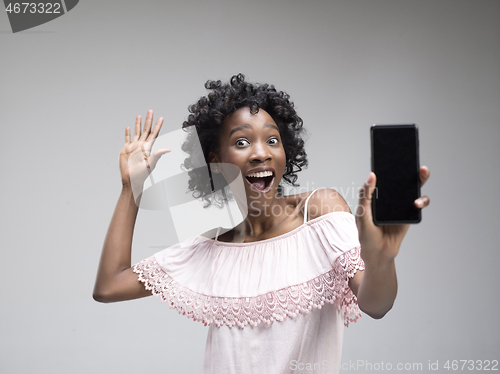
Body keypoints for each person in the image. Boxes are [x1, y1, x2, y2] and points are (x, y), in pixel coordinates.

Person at [93, 74, 431, 374]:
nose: (261, 153)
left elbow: (376, 304)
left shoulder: (319, 212)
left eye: (272, 140)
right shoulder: (213, 247)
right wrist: (131, 190)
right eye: (241, 142)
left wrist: (381, 259)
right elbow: (109, 286)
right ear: (216, 161)